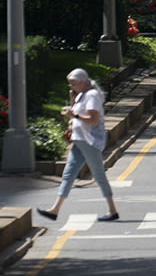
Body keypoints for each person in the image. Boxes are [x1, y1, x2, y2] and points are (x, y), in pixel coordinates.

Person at [36, 68, 119, 223]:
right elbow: (76, 116)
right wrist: (73, 102)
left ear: (82, 82)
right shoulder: (80, 95)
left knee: (99, 175)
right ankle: (55, 209)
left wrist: (73, 114)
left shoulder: (92, 95)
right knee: (68, 174)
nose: (71, 87)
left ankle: (112, 210)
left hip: (90, 141)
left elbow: (93, 119)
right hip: (79, 140)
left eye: (73, 84)